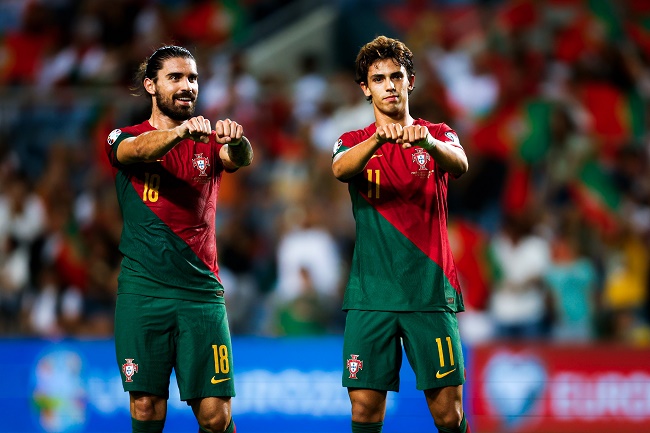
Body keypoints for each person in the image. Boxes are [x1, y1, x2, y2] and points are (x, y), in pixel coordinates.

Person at [105, 45, 253, 433]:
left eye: (193, 78)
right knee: (146, 406)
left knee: (216, 416)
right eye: (175, 77)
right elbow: (138, 150)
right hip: (143, 292)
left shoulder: (208, 141)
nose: (187, 85)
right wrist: (179, 132)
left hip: (201, 294)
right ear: (150, 85)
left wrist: (238, 141)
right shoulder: (125, 136)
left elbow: (240, 158)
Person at [332, 36, 471, 433]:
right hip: (371, 295)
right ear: (366, 88)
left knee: (449, 414)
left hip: (429, 291)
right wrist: (379, 138)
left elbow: (460, 163)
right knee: (364, 409)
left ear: (411, 81)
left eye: (396, 76)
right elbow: (340, 169)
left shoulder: (438, 133)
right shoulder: (353, 141)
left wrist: (428, 141)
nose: (389, 85)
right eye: (379, 79)